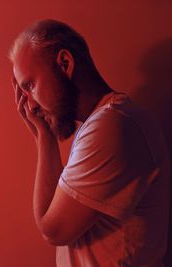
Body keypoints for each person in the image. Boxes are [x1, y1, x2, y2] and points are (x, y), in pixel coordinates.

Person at [9, 19, 170, 267]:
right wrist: (46, 136)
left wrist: (44, 138)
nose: (29, 105)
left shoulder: (113, 125)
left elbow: (53, 230)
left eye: (30, 85)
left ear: (65, 64)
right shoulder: (96, 124)